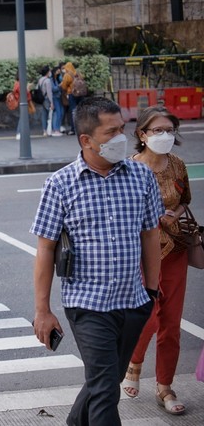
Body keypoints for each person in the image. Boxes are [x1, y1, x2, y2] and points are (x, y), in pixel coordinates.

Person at [31, 97, 163, 426]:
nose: (122, 137)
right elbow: (45, 249)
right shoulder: (60, 185)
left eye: (123, 128)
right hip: (87, 304)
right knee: (106, 389)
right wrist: (43, 311)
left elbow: (150, 234)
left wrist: (151, 291)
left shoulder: (141, 177)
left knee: (104, 381)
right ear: (86, 140)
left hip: (133, 301)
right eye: (111, 132)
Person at [122, 106, 191, 415]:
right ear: (142, 134)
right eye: (157, 130)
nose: (164, 135)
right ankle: (134, 365)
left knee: (171, 324)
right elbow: (121, 213)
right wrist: (149, 220)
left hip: (175, 250)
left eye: (169, 129)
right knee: (147, 318)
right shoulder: (129, 169)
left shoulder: (178, 165)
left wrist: (172, 215)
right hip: (141, 255)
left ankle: (165, 386)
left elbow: (184, 200)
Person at [59, 61, 81, 135]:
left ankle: (73, 129)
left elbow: (64, 86)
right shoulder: (77, 73)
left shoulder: (67, 75)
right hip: (80, 94)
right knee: (79, 111)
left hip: (72, 93)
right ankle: (80, 128)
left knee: (73, 111)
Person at [37, 65, 54, 137]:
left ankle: (44, 131)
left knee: (44, 115)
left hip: (42, 99)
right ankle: (49, 130)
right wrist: (52, 102)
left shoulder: (40, 80)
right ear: (47, 72)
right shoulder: (47, 81)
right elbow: (49, 92)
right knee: (49, 115)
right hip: (47, 99)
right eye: (49, 71)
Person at [51, 65, 64, 137]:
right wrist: (59, 86)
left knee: (60, 113)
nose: (58, 73)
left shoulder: (57, 79)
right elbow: (53, 89)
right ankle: (56, 129)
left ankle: (56, 129)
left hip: (59, 97)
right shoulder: (51, 80)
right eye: (57, 72)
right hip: (55, 98)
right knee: (58, 113)